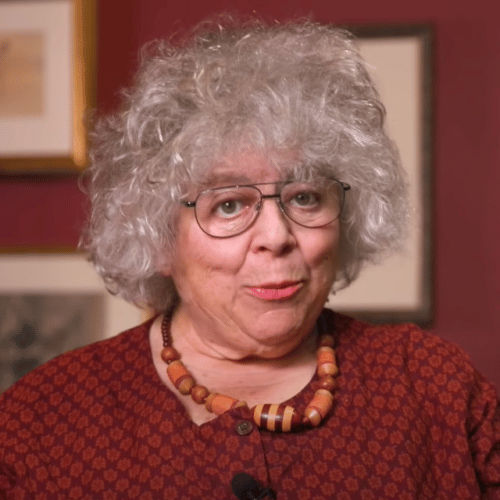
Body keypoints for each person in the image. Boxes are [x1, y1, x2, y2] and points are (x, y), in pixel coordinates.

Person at [1, 16, 499, 499]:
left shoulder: (437, 389)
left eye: (305, 197)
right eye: (229, 205)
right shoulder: (41, 422)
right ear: (158, 237)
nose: (276, 236)